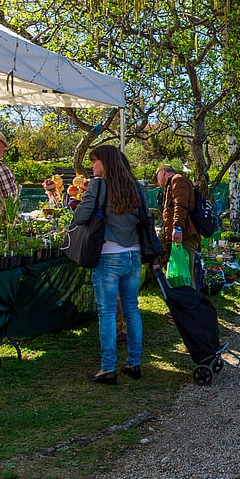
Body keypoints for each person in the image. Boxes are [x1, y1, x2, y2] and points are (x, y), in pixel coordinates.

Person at [76, 145, 147, 385]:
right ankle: (134, 363)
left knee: (106, 312)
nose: (92, 166)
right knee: (132, 309)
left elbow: (80, 217)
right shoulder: (137, 187)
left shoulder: (99, 186)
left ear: (104, 162)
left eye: (94, 161)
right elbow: (145, 219)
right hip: (134, 254)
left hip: (108, 254)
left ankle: (108, 368)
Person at [152, 164, 199, 281]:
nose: (157, 183)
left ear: (162, 173)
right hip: (181, 235)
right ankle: (181, 298)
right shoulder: (172, 184)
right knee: (179, 275)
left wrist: (177, 228)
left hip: (185, 234)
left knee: (185, 276)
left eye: (156, 177)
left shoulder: (178, 180)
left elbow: (180, 206)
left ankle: (190, 298)